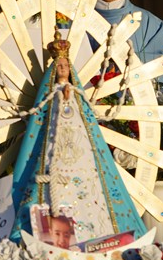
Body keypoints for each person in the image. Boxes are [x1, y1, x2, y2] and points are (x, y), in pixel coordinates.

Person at [11, 28, 147, 247]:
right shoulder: (51, 94)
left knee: (91, 180)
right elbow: (41, 117)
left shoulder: (75, 93)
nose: (63, 70)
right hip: (53, 148)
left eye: (66, 66)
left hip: (80, 147)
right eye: (60, 67)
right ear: (55, 70)